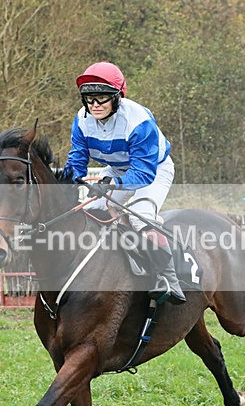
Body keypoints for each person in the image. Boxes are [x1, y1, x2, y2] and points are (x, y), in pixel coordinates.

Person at [61, 61, 185, 305]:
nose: (94, 105)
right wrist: (69, 178)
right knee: (92, 210)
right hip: (117, 170)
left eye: (102, 98)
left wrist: (111, 182)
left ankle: (168, 278)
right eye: (89, 98)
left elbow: (143, 173)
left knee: (141, 216)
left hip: (153, 170)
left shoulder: (139, 121)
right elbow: (77, 159)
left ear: (117, 97)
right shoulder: (81, 120)